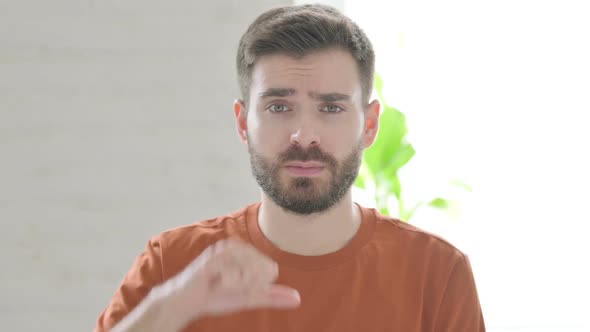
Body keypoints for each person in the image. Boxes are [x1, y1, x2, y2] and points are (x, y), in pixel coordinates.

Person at [95, 4, 485, 332]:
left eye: (331, 108)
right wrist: (167, 312)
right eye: (279, 107)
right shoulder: (174, 265)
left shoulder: (435, 272)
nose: (304, 135)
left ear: (369, 125)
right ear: (242, 122)